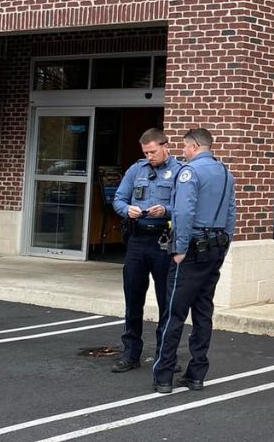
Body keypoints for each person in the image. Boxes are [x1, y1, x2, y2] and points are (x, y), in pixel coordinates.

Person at [152, 127, 235, 393]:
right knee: (203, 312)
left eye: (185, 147)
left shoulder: (190, 172)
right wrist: (225, 245)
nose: (184, 152)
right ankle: (196, 374)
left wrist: (179, 248)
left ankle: (163, 376)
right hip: (215, 248)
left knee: (174, 314)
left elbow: (184, 212)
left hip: (192, 249)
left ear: (196, 146)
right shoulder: (225, 172)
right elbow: (231, 212)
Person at [110, 128, 181, 373]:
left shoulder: (180, 171)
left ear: (165, 146)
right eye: (146, 152)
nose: (149, 156)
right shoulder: (136, 170)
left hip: (163, 241)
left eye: (153, 152)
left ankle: (166, 357)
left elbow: (186, 206)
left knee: (166, 301)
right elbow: (118, 199)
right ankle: (130, 354)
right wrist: (126, 209)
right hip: (137, 240)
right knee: (133, 297)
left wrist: (166, 211)